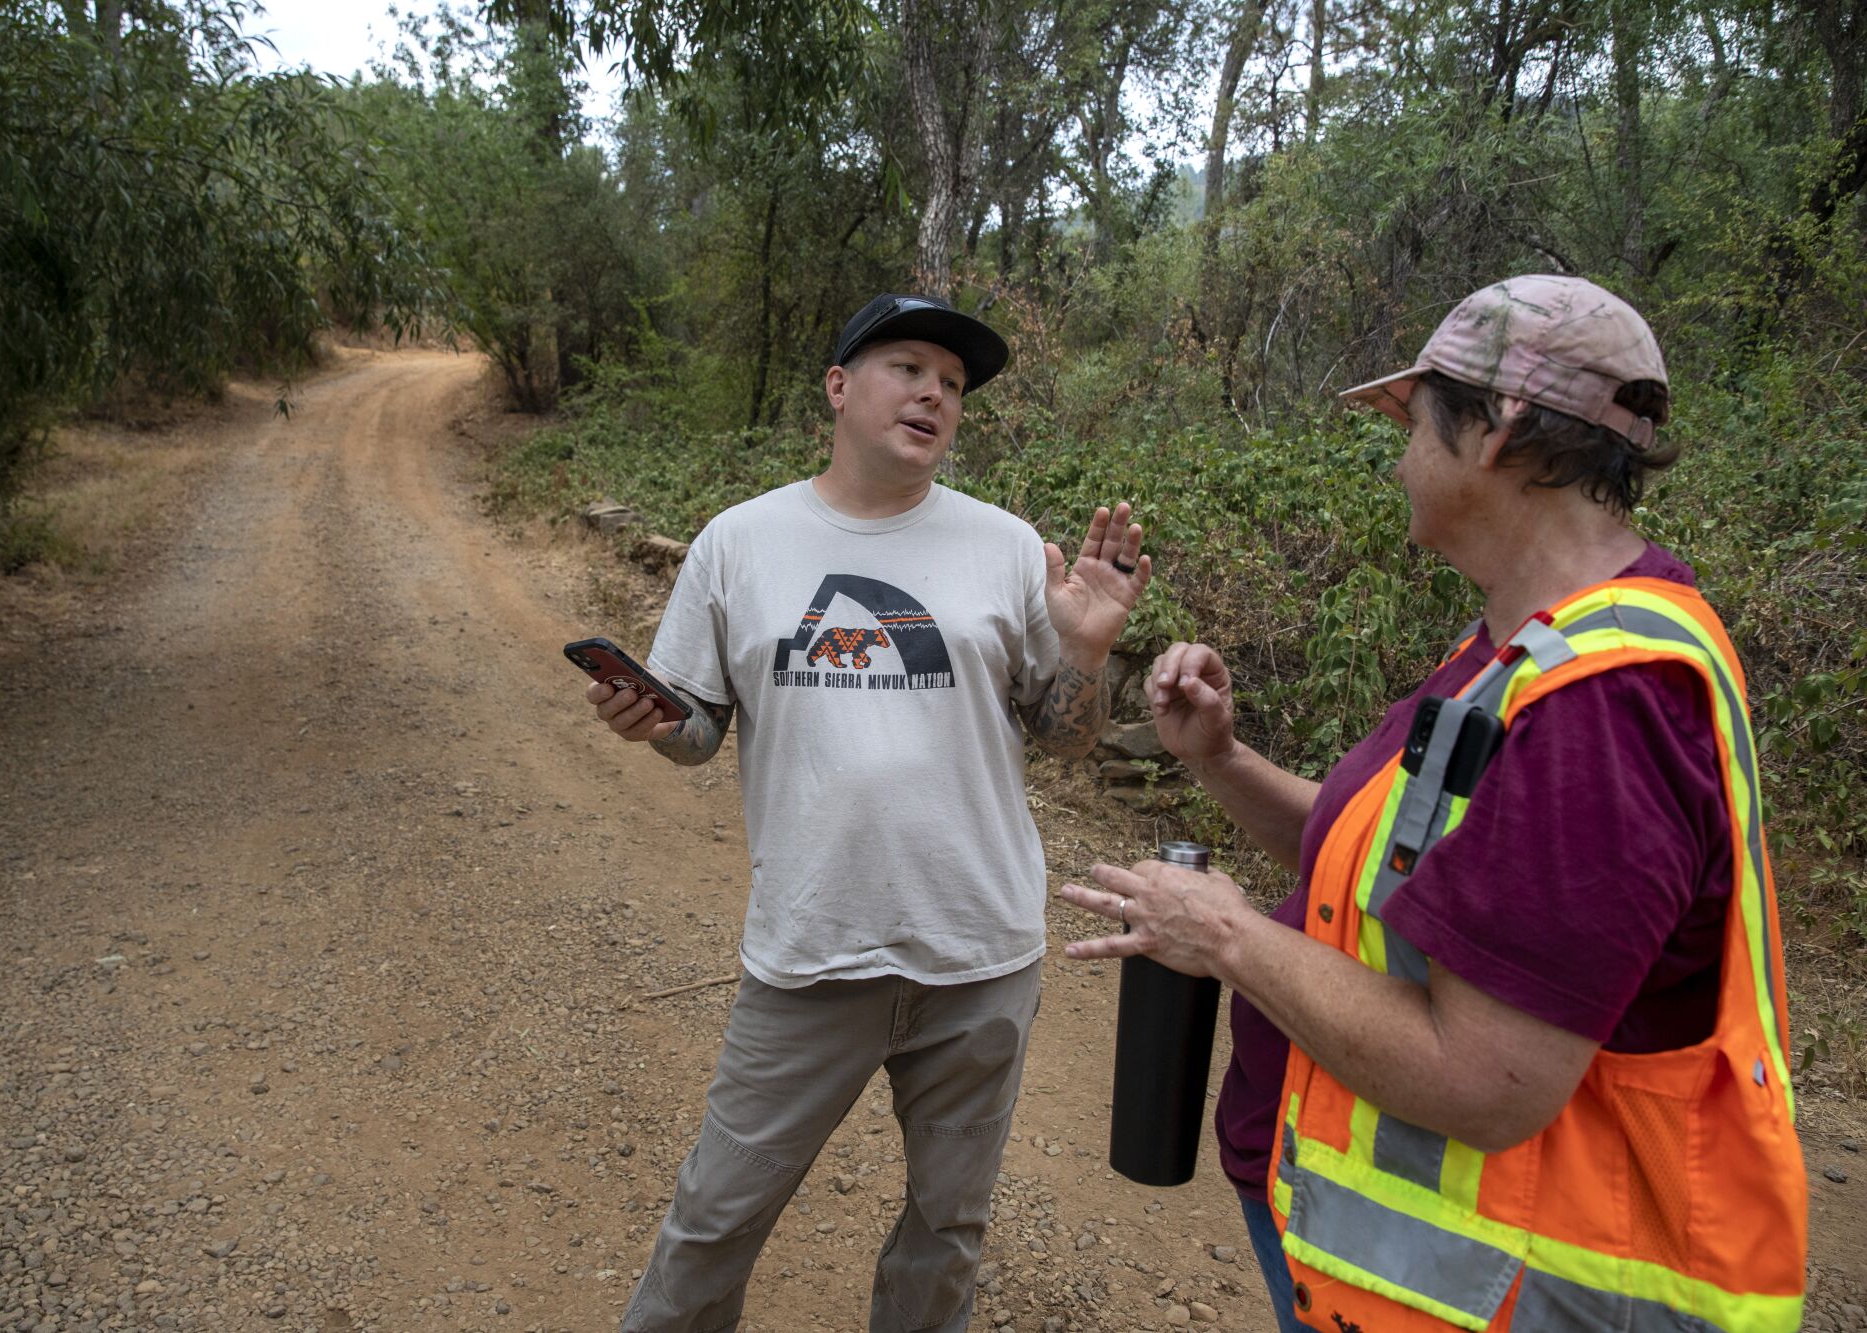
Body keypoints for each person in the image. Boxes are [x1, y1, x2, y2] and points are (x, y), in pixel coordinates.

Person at [1059, 275, 1808, 1331]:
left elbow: (1487, 1077)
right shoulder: (1526, 641)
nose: (1398, 456)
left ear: (1495, 429)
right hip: (1371, 1253)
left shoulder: (1605, 702)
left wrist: (1224, 934)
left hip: (1505, 1296)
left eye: (1412, 424)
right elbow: (1401, 871)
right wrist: (1220, 760)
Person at [587, 292, 1152, 1333]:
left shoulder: (1006, 546)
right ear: (839, 389)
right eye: (906, 366)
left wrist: (1084, 652)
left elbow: (1063, 736)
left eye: (951, 382)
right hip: (810, 950)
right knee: (714, 1216)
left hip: (978, 955)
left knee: (946, 1232)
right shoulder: (738, 543)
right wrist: (651, 722)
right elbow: (699, 728)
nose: (934, 391)